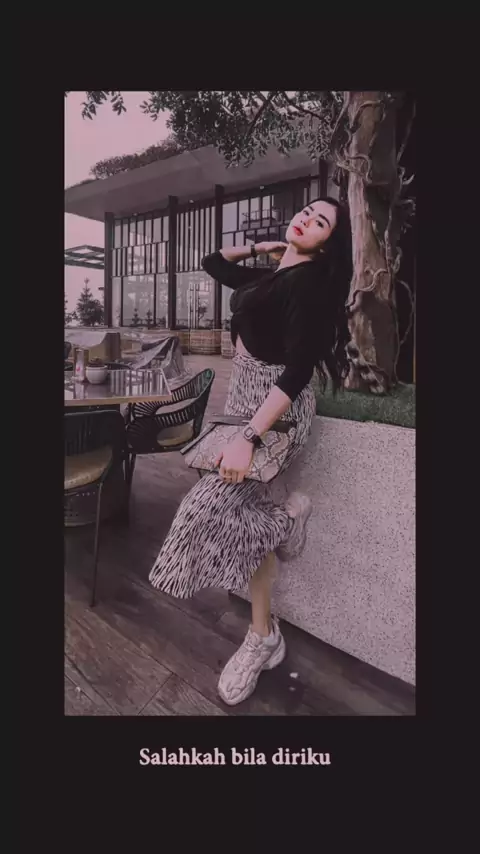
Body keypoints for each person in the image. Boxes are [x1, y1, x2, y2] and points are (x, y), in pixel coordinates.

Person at [150, 196, 353, 706]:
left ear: (328, 244)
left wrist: (248, 438)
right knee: (237, 510)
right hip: (239, 402)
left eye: (321, 222)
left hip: (275, 415)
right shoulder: (271, 275)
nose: (306, 219)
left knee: (202, 509)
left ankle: (284, 525)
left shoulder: (308, 285)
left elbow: (298, 370)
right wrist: (266, 245)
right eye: (307, 212)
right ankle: (264, 633)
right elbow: (213, 262)